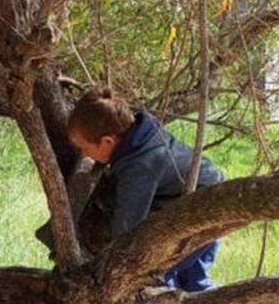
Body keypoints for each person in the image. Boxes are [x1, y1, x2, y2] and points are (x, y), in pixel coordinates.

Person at [65, 90, 224, 291]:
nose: (84, 153)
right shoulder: (143, 134)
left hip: (203, 213)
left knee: (162, 274)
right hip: (211, 192)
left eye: (85, 147)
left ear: (107, 141)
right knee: (194, 279)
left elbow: (126, 231)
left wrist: (106, 265)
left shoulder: (139, 167)